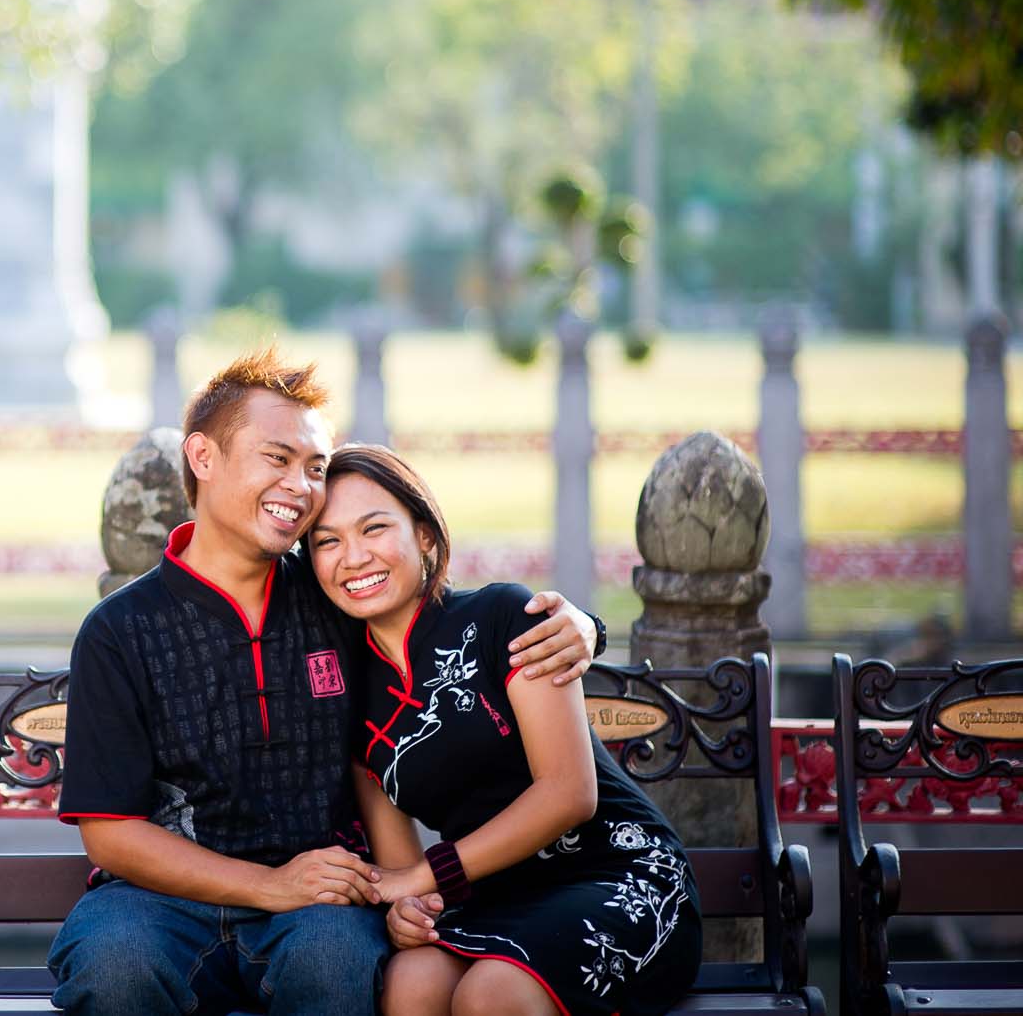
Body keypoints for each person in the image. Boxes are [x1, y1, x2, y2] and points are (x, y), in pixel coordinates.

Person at [51, 351, 604, 1016]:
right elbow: (110, 833)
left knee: (335, 964)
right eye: (277, 458)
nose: (300, 486)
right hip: (158, 902)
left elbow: (449, 618)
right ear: (203, 456)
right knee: (113, 966)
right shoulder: (120, 630)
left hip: (323, 897)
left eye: (315, 467)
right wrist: (269, 885)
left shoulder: (336, 595)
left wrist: (582, 625)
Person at [309, 442, 700, 1016]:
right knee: (410, 984)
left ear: (424, 534)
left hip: (616, 874)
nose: (354, 557)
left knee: (491, 996)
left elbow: (570, 794)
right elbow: (400, 875)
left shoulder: (504, 618)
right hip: (493, 895)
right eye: (328, 542)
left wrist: (424, 875)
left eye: (374, 528)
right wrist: (406, 909)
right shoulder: (352, 697)